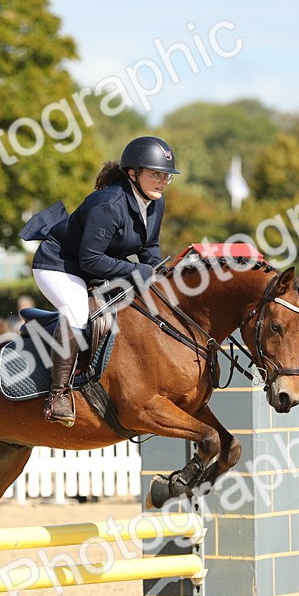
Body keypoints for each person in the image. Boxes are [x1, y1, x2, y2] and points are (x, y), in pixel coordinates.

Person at [19, 135, 177, 425]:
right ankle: (58, 396)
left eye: (165, 175)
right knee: (78, 313)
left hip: (94, 268)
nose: (162, 181)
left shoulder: (155, 202)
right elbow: (89, 260)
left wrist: (156, 270)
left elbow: (149, 247)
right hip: (60, 266)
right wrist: (135, 272)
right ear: (133, 173)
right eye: (155, 174)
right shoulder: (108, 204)